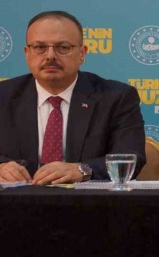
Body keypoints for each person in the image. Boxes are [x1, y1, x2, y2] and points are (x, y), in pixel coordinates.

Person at [0, 11, 146, 185]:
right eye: (39, 47)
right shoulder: (3, 96)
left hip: (87, 200)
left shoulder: (116, 97)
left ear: (82, 54)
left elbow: (130, 157)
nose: (50, 56)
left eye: (63, 47)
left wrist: (83, 169)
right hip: (17, 199)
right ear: (27, 53)